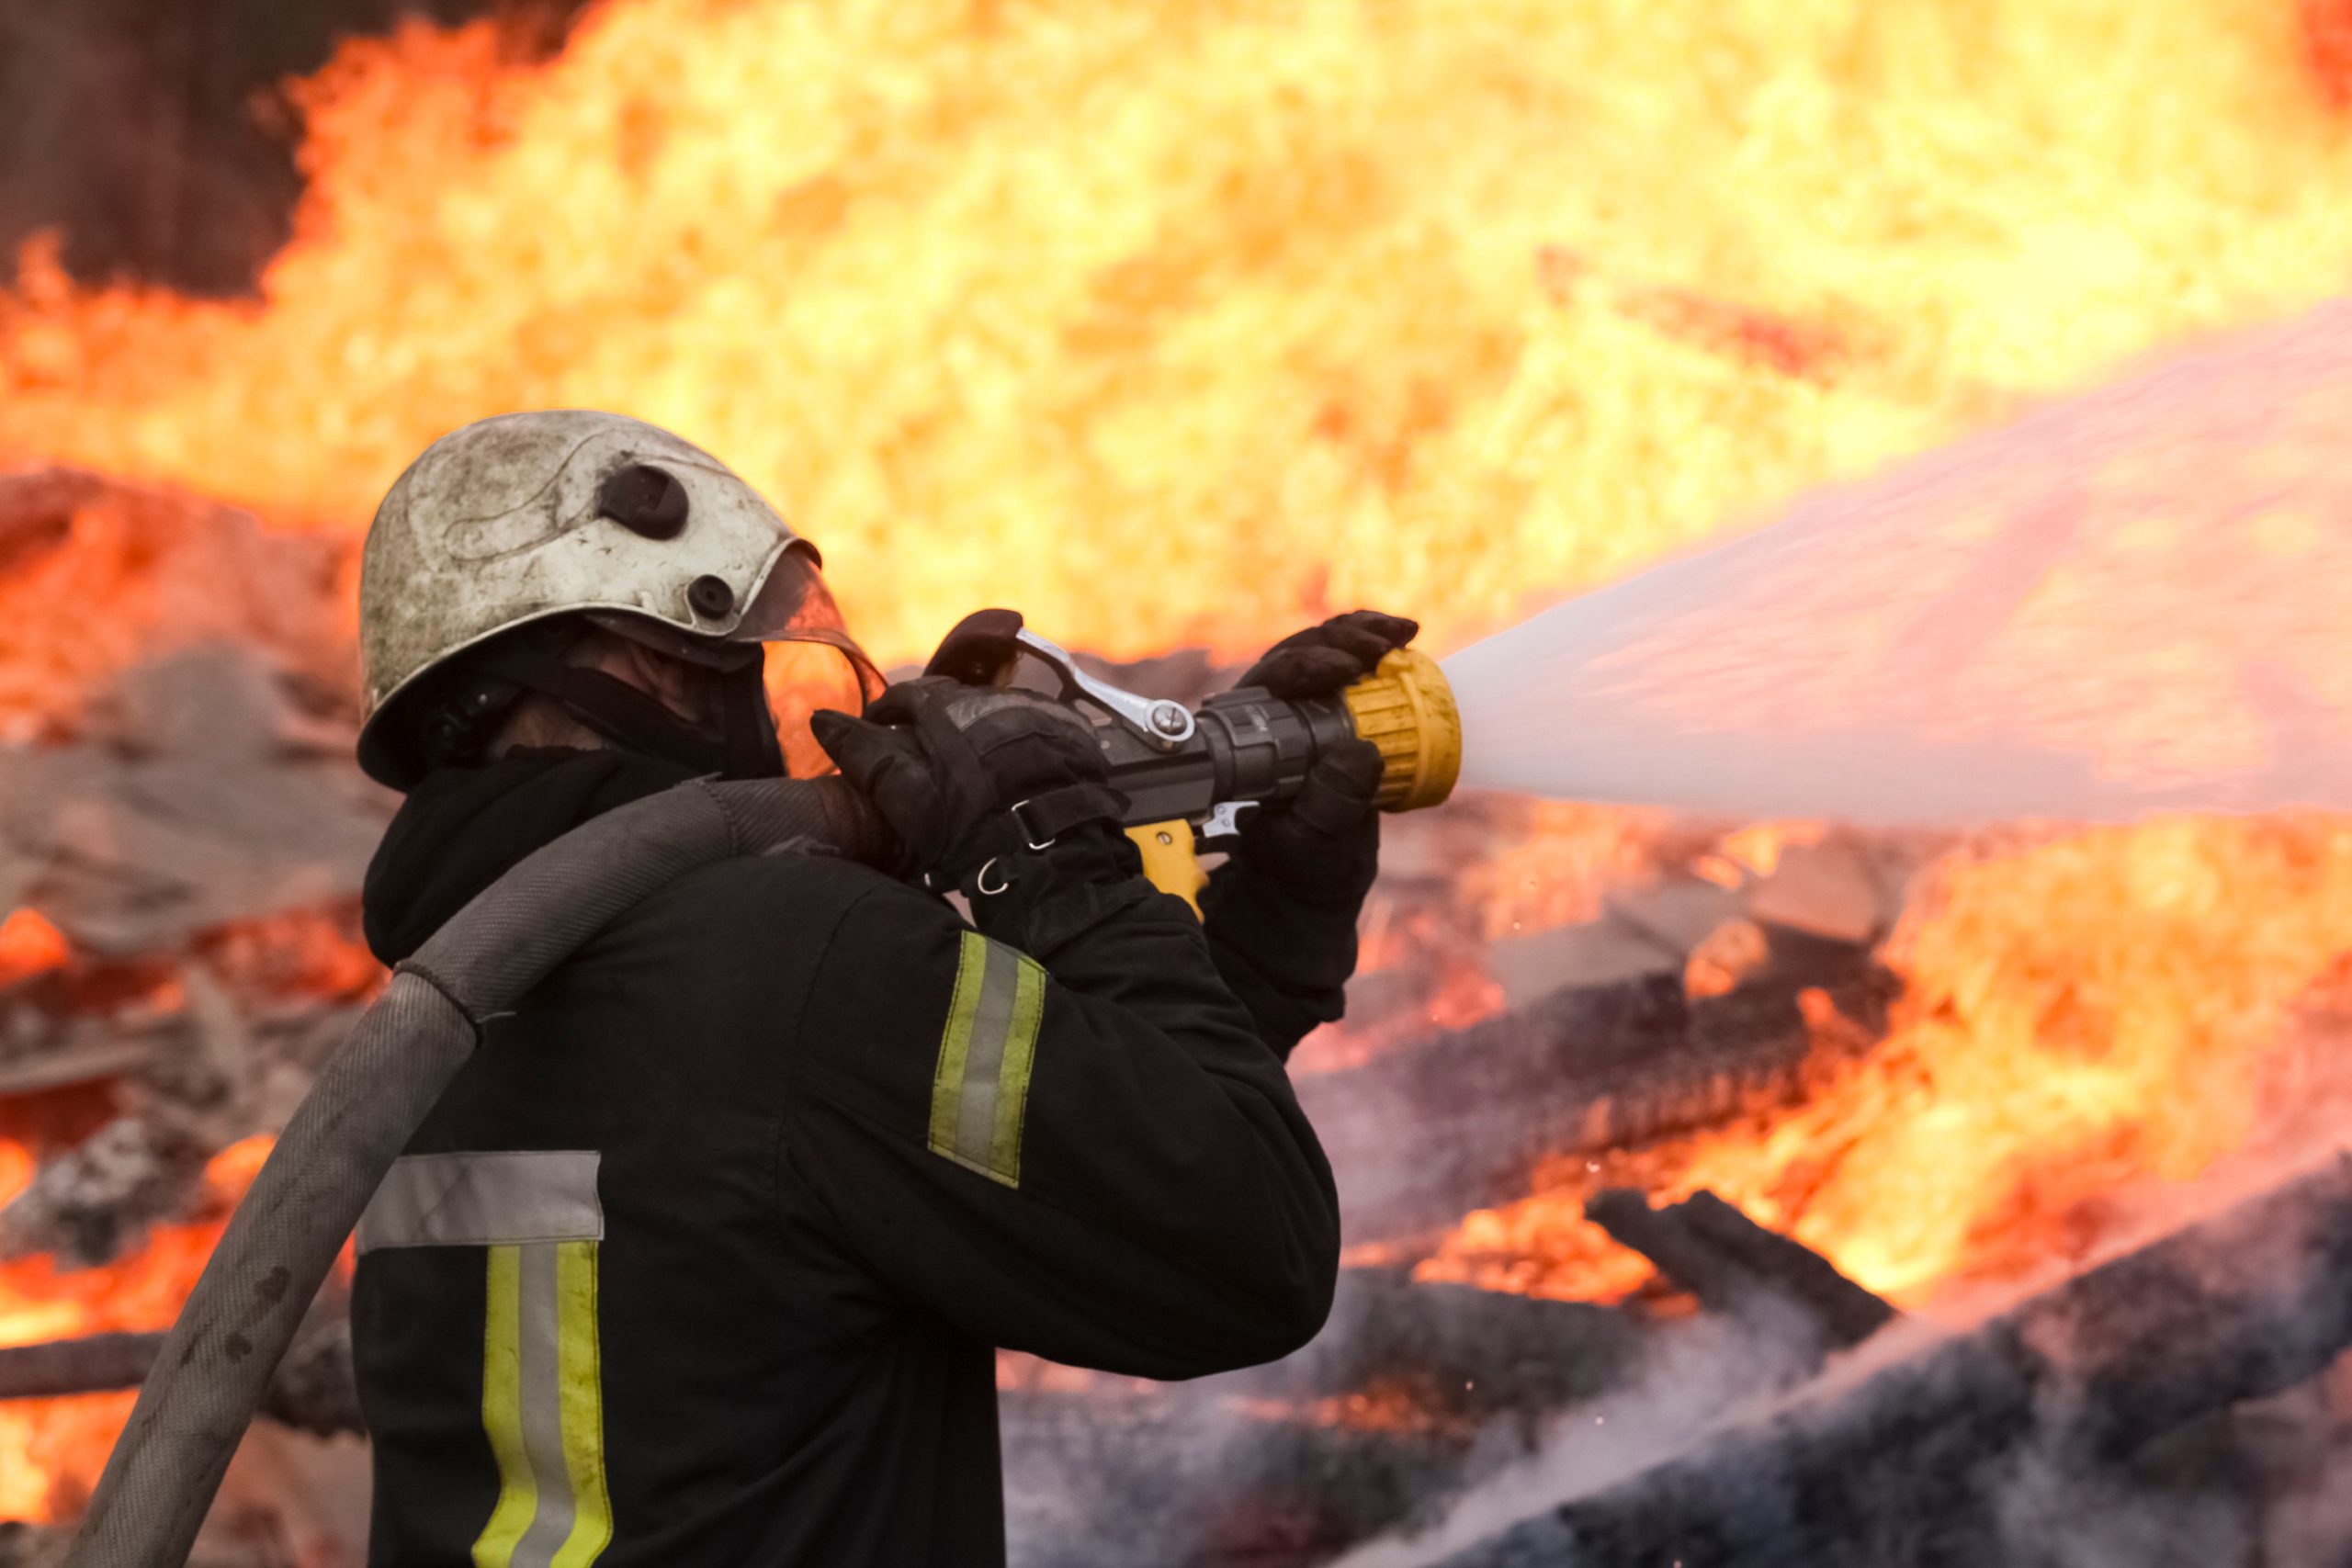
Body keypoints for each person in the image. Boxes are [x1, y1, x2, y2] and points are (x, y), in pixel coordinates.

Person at [346, 410, 1414, 1566]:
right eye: (747, 661)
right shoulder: (800, 962)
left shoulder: (424, 1030)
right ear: (658, 659)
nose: (773, 708)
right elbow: (1245, 1247)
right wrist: (1051, 865)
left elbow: (1062, 1177)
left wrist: (1257, 948)